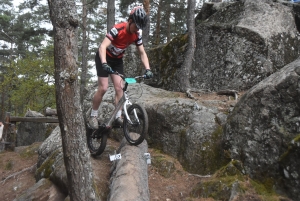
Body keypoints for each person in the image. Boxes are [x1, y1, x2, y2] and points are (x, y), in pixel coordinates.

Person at [87, 6, 153, 130]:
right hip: (103, 57)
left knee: (120, 88)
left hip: (117, 61)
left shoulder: (136, 35)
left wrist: (148, 69)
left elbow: (142, 53)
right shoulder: (117, 29)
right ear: (130, 20)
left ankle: (118, 117)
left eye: (139, 27)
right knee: (104, 88)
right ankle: (93, 115)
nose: (137, 29)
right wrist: (104, 63)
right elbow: (102, 47)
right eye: (136, 26)